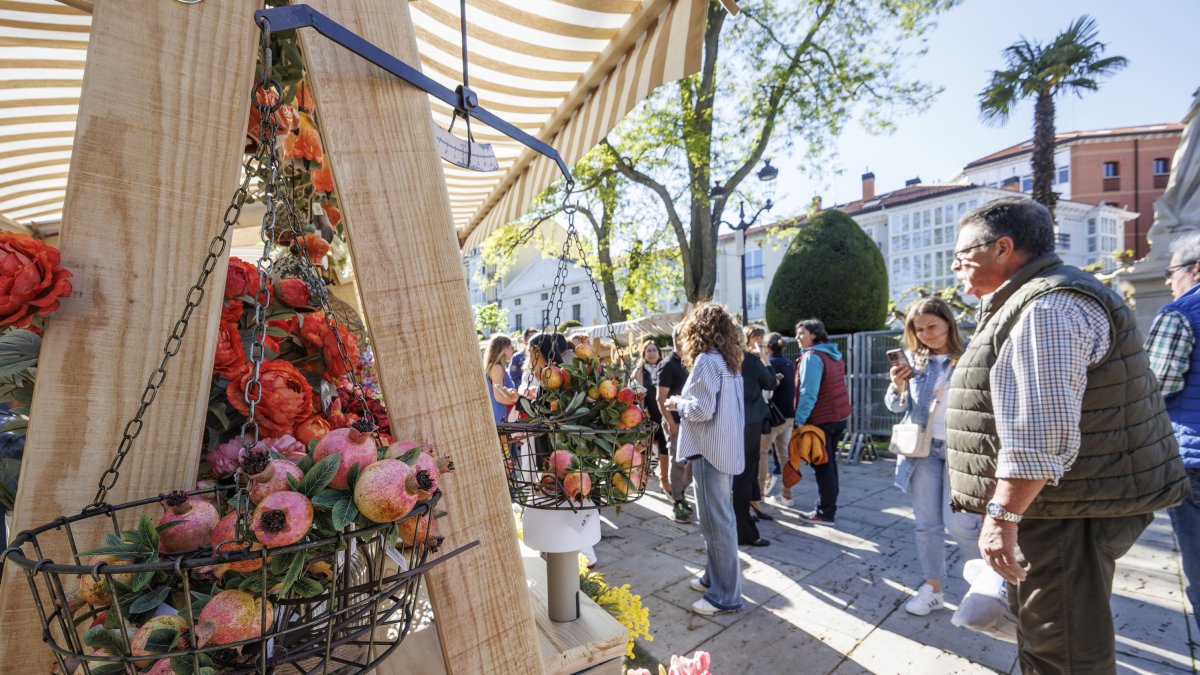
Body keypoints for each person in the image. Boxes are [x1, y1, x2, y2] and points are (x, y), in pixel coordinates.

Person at [945, 196, 1185, 673]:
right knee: (1049, 635)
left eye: (962, 254)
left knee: (1063, 649)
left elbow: (1041, 427)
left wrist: (1002, 515)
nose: (956, 266)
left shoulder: (1047, 306)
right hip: (1066, 504)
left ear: (1002, 248)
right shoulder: (1039, 297)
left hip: (1061, 514)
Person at [884, 298, 982, 616]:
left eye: (932, 326)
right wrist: (897, 385)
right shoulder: (914, 361)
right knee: (927, 524)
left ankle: (984, 588)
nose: (925, 334)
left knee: (962, 525)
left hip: (962, 451)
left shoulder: (972, 357)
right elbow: (896, 407)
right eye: (918, 328)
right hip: (922, 451)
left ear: (948, 323)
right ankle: (932, 588)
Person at [662, 303, 745, 616]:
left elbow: (700, 410)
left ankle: (725, 595)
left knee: (716, 523)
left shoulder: (706, 361)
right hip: (725, 449)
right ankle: (714, 579)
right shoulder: (729, 361)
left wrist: (677, 403)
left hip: (711, 451)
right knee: (717, 521)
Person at [1144, 230, 1200, 633]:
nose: (1167, 280)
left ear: (1195, 269)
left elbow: (1154, 388)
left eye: (1171, 271)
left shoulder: (1179, 313)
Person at [783, 318, 850, 523]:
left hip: (821, 419)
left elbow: (808, 393)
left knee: (823, 467)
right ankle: (828, 508)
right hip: (838, 415)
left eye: (801, 333)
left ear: (814, 334)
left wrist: (800, 420)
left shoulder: (812, 357)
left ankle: (825, 512)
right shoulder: (834, 355)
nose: (797, 338)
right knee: (830, 465)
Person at [735, 325, 776, 546]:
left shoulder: (723, 359)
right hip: (749, 422)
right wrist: (763, 358)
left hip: (731, 422)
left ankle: (748, 513)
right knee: (744, 474)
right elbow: (770, 382)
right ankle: (745, 530)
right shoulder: (749, 360)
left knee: (737, 475)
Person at [658, 327, 694, 523]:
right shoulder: (667, 365)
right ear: (679, 340)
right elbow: (660, 397)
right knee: (677, 462)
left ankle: (681, 493)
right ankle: (677, 501)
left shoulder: (690, 362)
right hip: (676, 423)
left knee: (690, 465)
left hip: (691, 421)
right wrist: (671, 422)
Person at [761, 332, 795, 499]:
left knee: (762, 453)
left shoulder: (769, 364)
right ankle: (787, 494)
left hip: (773, 417)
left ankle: (760, 492)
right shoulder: (789, 363)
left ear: (767, 348)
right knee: (784, 455)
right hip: (788, 416)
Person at [636, 340, 669, 491]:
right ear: (644, 354)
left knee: (665, 448)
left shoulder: (666, 368)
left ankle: (665, 480)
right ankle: (641, 479)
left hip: (664, 415)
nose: (651, 353)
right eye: (648, 350)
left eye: (654, 350)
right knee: (644, 450)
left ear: (659, 352)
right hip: (646, 418)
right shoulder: (638, 371)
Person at [483, 334, 518, 424]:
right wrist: (519, 404)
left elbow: (502, 393)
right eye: (511, 347)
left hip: (501, 417)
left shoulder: (497, 367)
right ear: (504, 349)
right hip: (500, 418)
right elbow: (498, 397)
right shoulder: (497, 368)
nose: (513, 350)